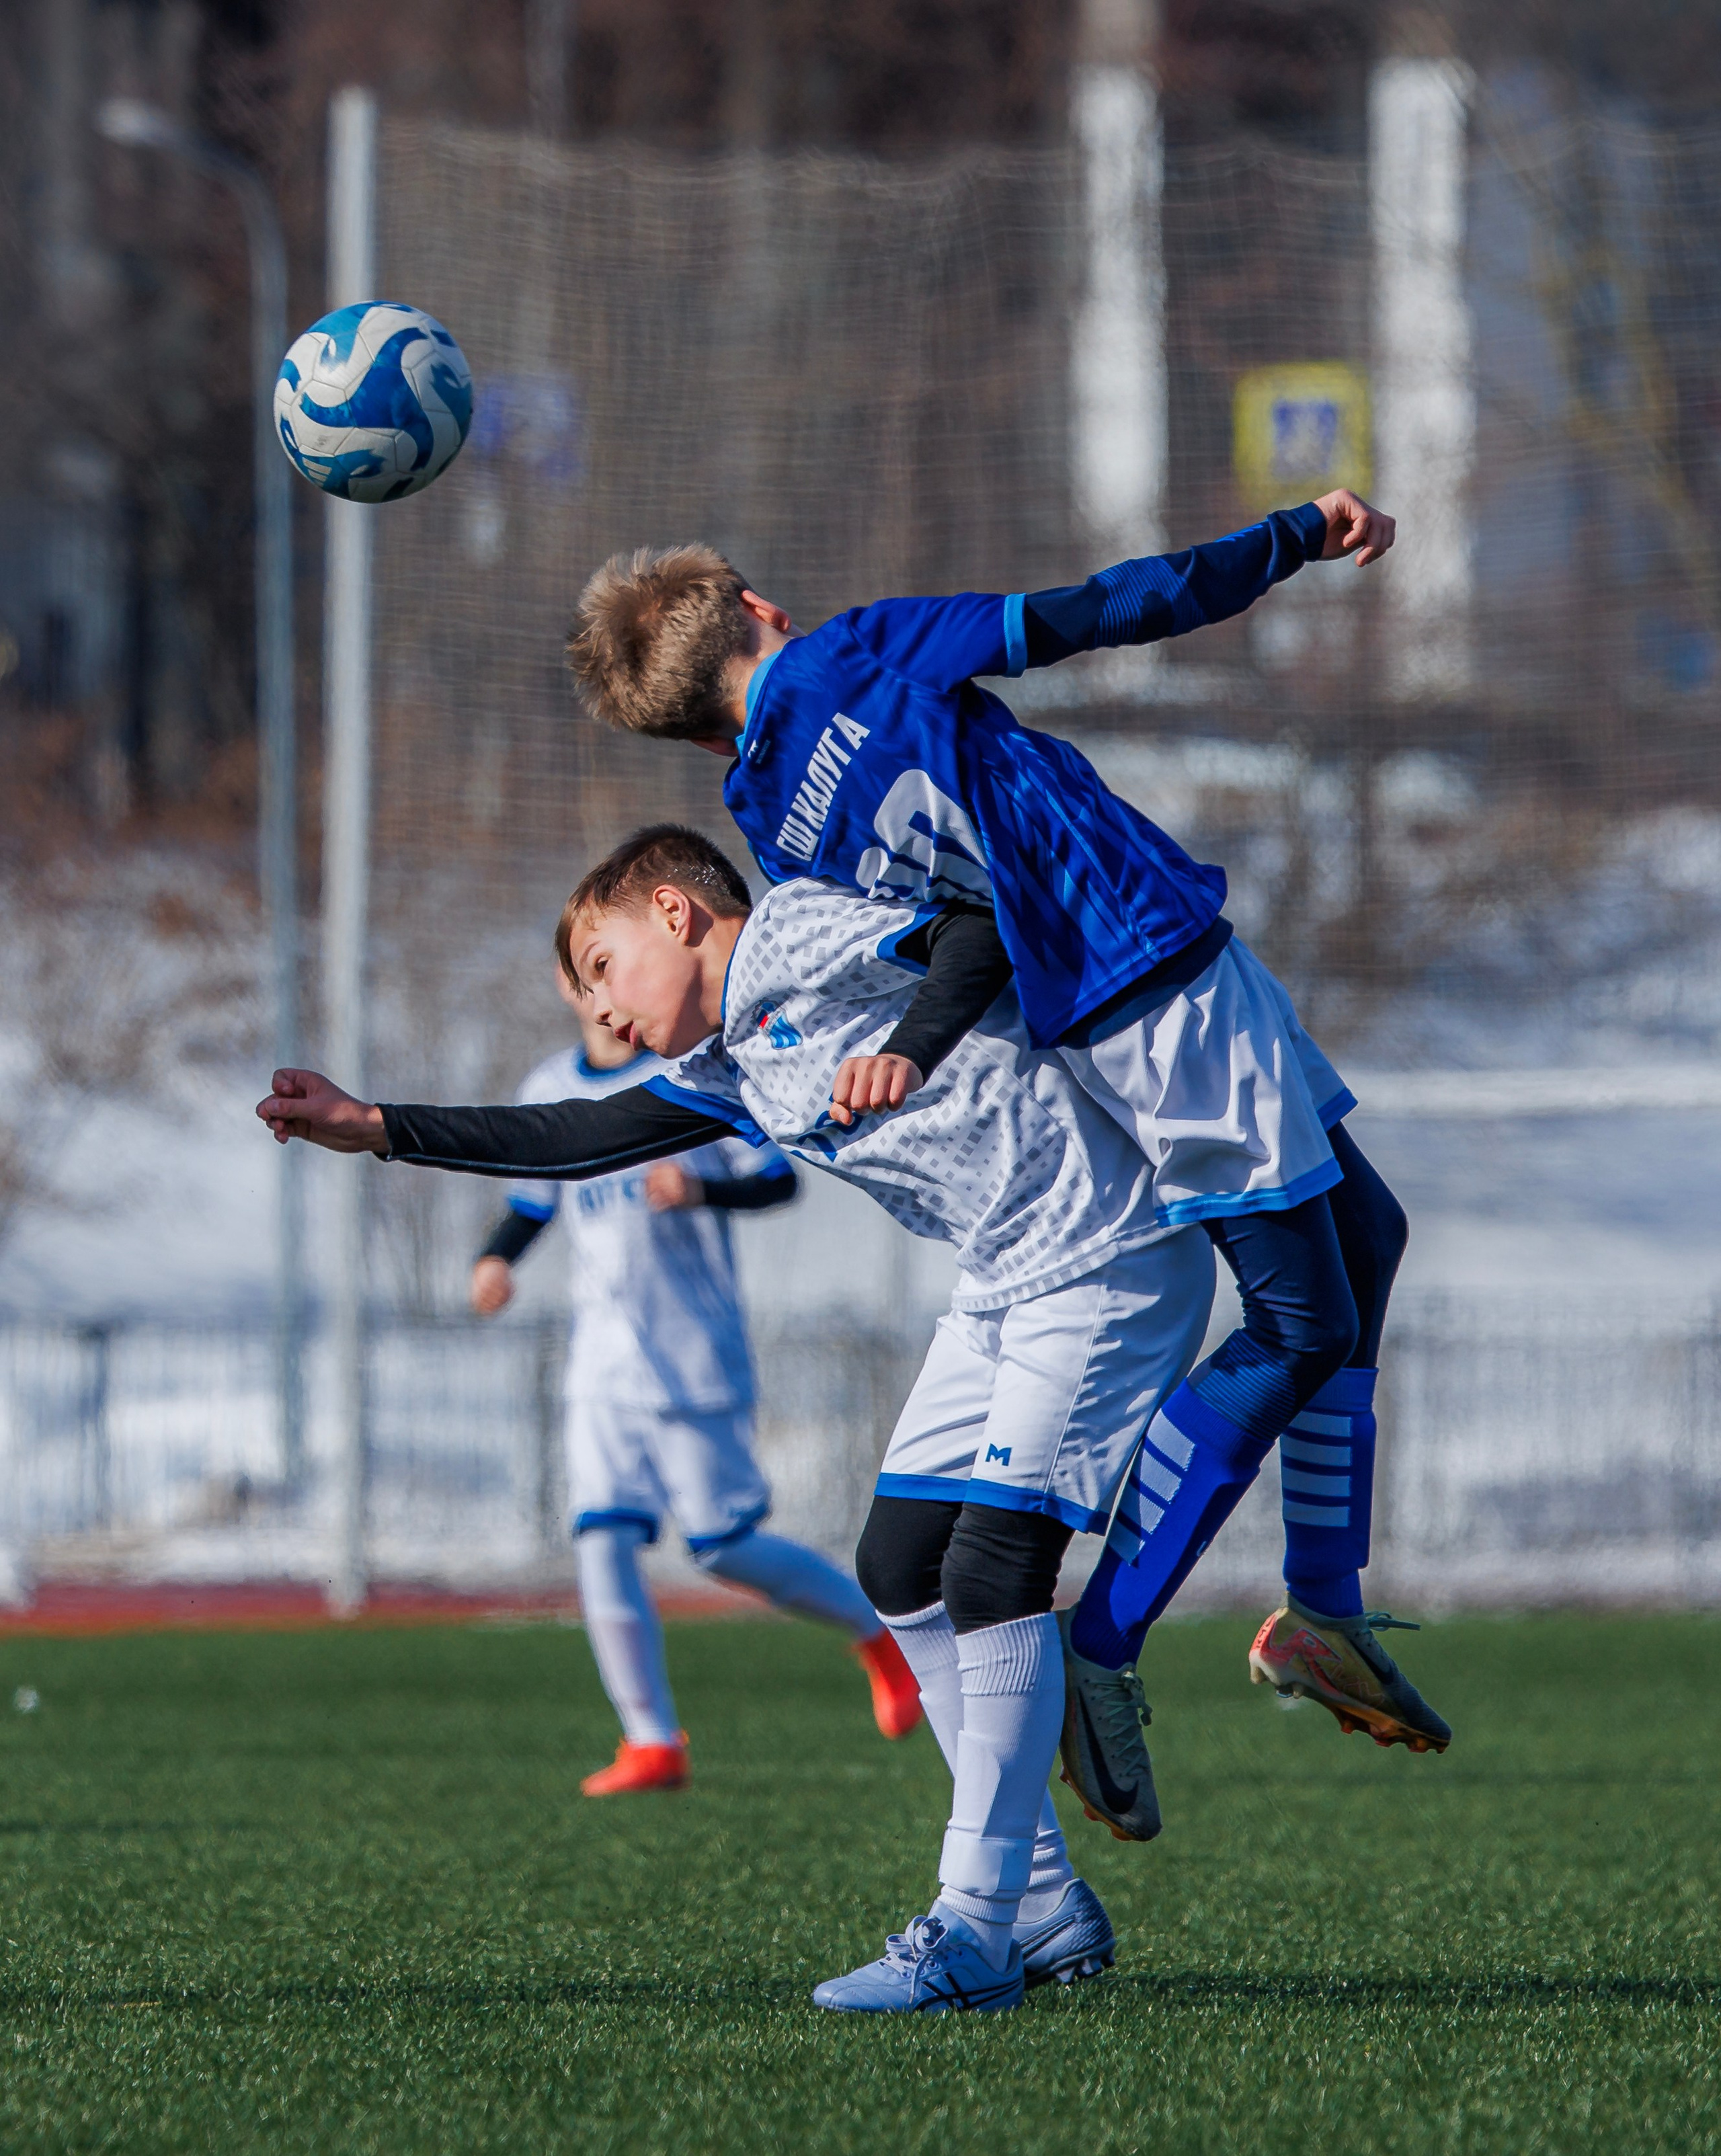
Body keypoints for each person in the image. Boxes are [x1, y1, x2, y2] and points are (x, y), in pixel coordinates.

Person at [562, 495, 1445, 1840]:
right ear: (756, 611)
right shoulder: (860, 651)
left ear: (688, 735)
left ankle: (1319, 1606)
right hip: (1147, 965)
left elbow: (931, 940)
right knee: (1301, 1318)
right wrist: (1288, 541)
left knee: (1362, 1236)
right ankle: (1109, 1636)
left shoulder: (766, 821)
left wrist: (912, 1058)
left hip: (1098, 995)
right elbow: (1100, 610)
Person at [259, 823, 1236, 2012]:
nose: (601, 1010)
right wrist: (378, 1126)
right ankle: (1038, 1900)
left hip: (1104, 1252)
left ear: (673, 913)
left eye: (602, 964)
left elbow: (982, 922)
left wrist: (914, 1049)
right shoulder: (733, 1066)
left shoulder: (794, 933)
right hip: (1006, 1277)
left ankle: (976, 1926)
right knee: (900, 1563)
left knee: (994, 1566)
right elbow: (577, 1136)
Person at [471, 990, 923, 1796]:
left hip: (694, 1354)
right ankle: (650, 1739)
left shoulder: (695, 1080)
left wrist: (700, 1190)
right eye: (582, 970)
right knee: (600, 1535)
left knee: (722, 1547)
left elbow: (777, 1180)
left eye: (609, 965)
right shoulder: (547, 1087)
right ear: (565, 983)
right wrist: (497, 1258)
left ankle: (877, 1632)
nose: (597, 990)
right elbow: (531, 1199)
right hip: (601, 1365)